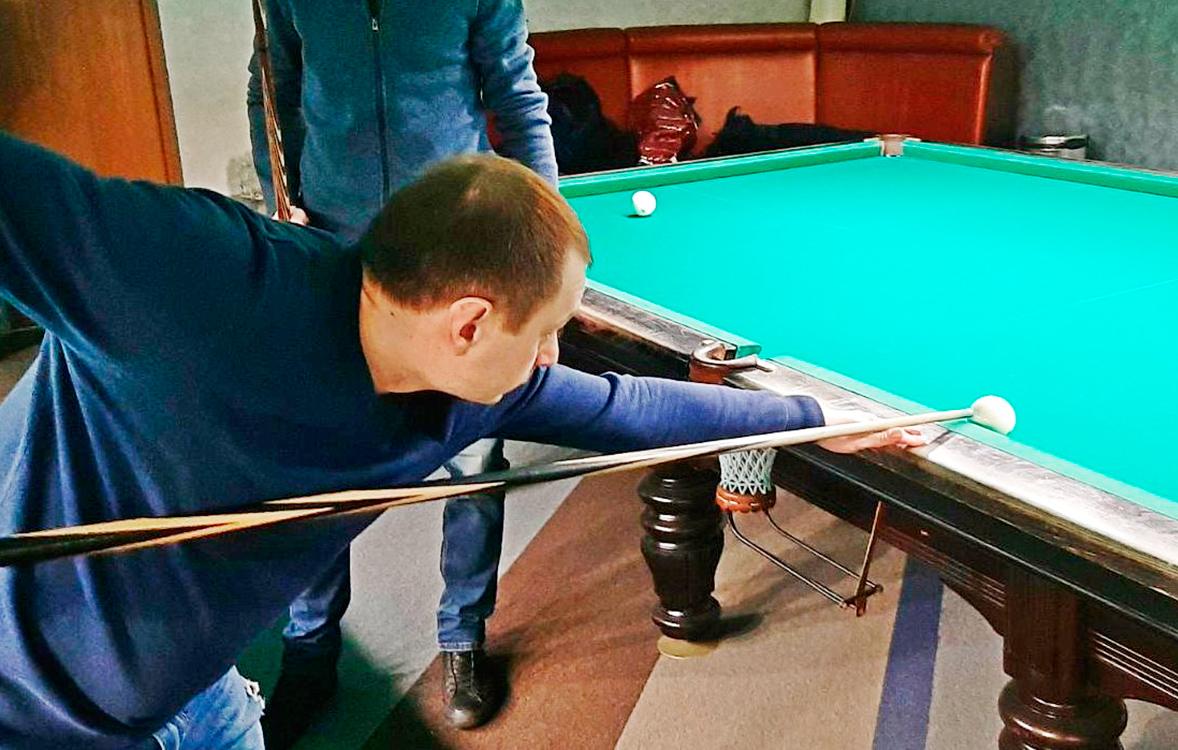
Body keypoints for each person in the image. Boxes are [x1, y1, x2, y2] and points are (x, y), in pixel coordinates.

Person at [0, 131, 923, 750]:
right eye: (547, 330)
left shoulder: (464, 389)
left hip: (197, 695)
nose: (551, 356)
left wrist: (818, 418)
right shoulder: (197, 276)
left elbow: (627, 408)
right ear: (470, 323)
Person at [245, 1, 557, 740]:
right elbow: (274, 91)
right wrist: (280, 200)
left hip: (457, 246)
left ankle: (463, 638)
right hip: (334, 252)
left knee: (472, 460)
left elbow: (518, 100)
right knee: (318, 464)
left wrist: (540, 257)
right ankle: (311, 649)